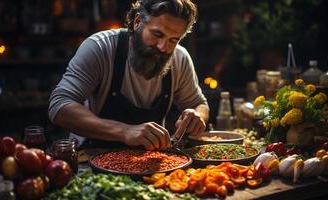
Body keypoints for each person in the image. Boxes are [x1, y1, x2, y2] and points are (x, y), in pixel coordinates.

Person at [48, 0, 209, 150]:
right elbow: (59, 106)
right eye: (157, 35)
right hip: (92, 157)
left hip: (151, 161)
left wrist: (196, 115)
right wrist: (124, 131)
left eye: (173, 40)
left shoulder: (180, 58)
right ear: (137, 21)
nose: (162, 47)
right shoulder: (101, 47)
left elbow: (198, 104)